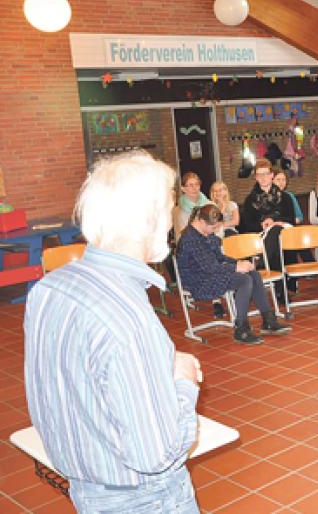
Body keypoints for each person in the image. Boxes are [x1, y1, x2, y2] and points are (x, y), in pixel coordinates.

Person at [24, 152, 203, 513]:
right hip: (146, 498)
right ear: (149, 218)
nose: (171, 221)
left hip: (87, 488)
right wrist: (183, 382)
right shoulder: (128, 316)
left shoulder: (48, 288)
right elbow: (155, 453)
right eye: (169, 210)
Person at [176, 204, 292, 344]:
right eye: (213, 228)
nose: (214, 231)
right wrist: (236, 266)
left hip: (210, 273)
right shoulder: (190, 239)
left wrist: (240, 262)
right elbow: (210, 267)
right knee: (244, 280)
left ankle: (268, 321)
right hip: (198, 281)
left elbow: (219, 258)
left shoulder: (205, 232)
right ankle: (241, 329)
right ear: (201, 222)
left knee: (253, 274)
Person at [238, 159, 297, 300]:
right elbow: (247, 226)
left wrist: (276, 222)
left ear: (272, 175)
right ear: (256, 177)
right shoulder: (249, 200)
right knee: (274, 245)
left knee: (275, 231)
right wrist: (262, 224)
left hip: (284, 236)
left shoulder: (285, 197)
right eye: (259, 175)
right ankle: (280, 292)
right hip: (259, 237)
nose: (263, 178)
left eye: (266, 174)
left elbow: (291, 220)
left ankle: (262, 263)